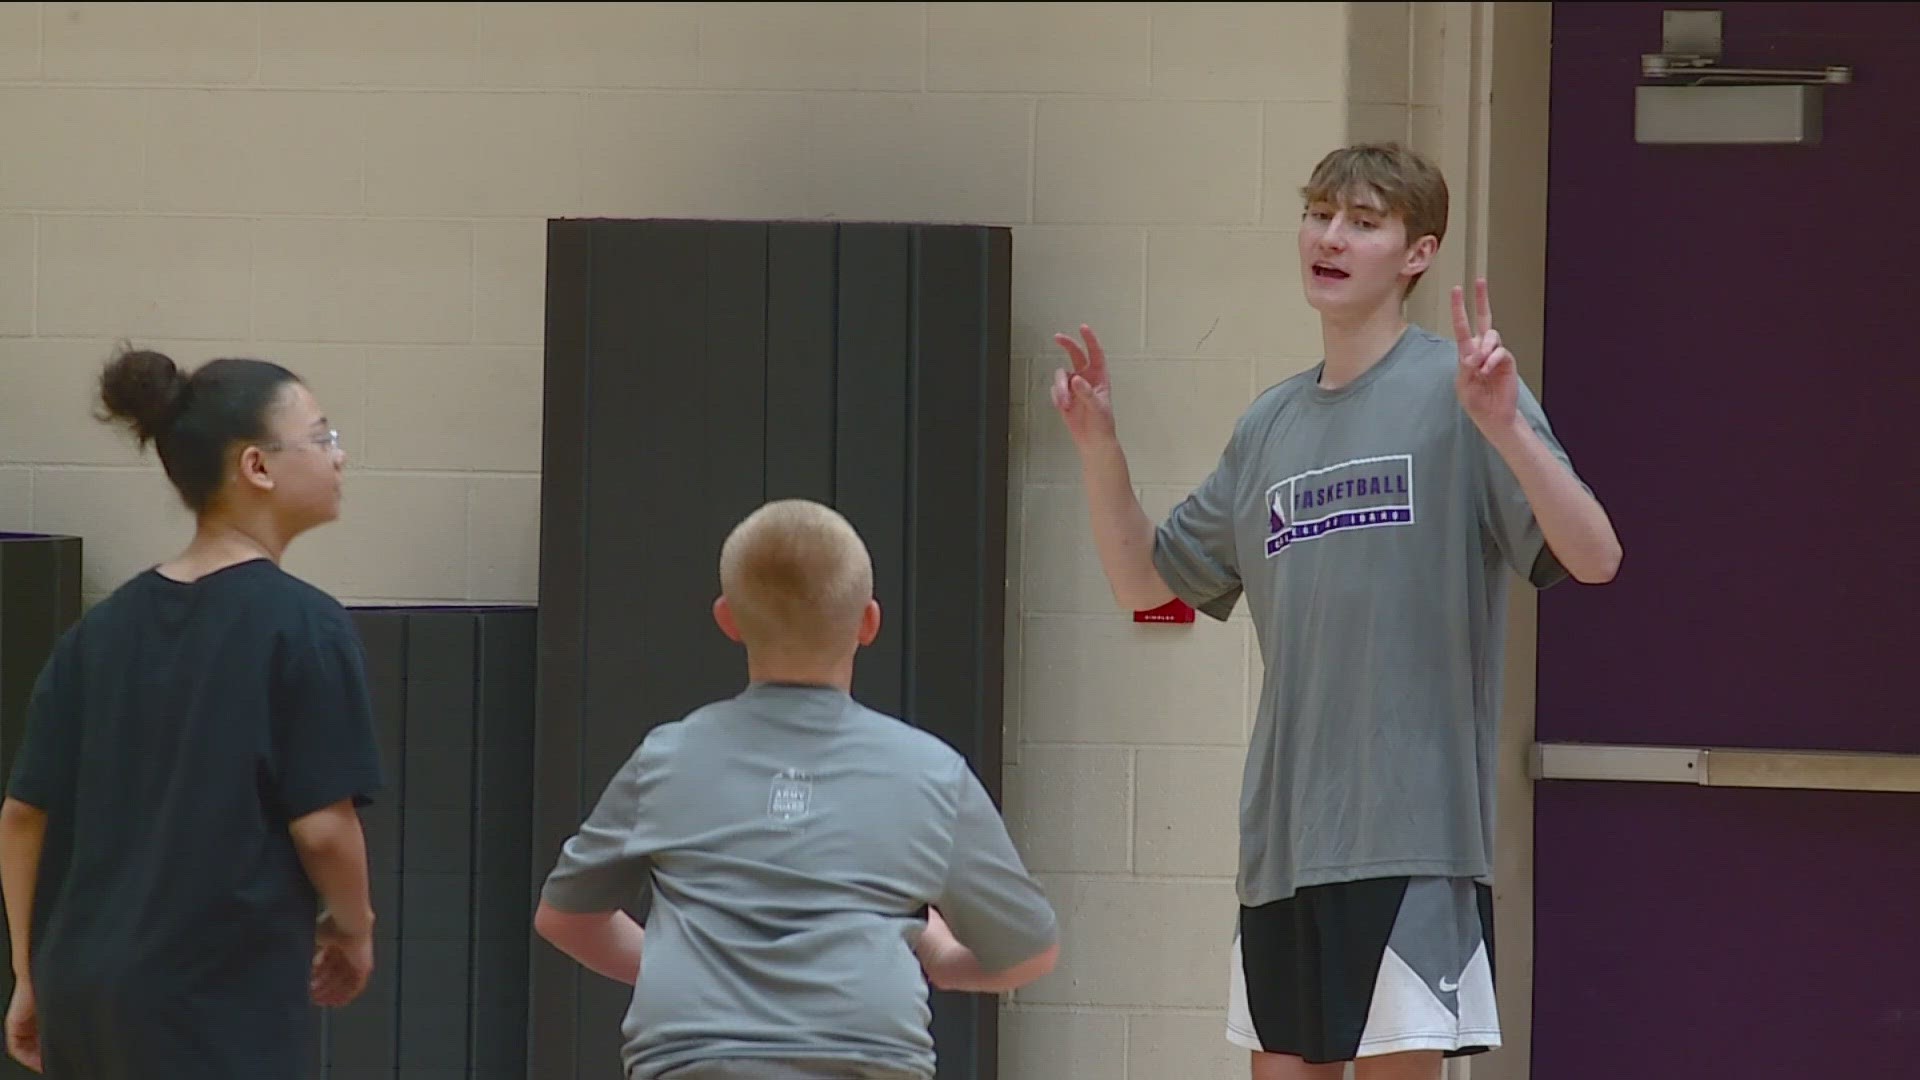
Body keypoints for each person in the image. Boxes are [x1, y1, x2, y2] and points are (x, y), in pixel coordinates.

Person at [1048, 143, 1623, 1080]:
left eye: (1362, 220)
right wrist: (1098, 446)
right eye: (1319, 213)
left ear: (1417, 252)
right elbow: (1143, 583)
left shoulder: (1463, 395)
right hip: (1284, 841)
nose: (1330, 235)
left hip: (1410, 835)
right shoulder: (1267, 426)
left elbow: (1595, 557)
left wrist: (1508, 427)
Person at [535, 499, 1058, 1080]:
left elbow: (567, 919)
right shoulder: (932, 772)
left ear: (727, 618)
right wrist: (942, 958)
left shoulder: (666, 758)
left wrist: (682, 971)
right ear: (869, 622)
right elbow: (1028, 952)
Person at [0, 347, 384, 1077]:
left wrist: (29, 972)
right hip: (215, 1003)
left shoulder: (97, 632)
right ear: (257, 468)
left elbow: (23, 814)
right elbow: (324, 827)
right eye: (323, 437)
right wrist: (354, 928)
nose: (340, 456)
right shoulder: (305, 627)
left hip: (83, 992)